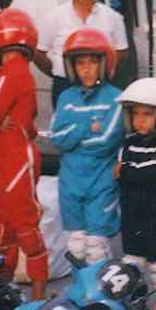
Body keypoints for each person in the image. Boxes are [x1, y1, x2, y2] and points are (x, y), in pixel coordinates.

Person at [0, 9, 47, 300]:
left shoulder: (11, 72)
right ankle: (8, 292)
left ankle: (37, 297)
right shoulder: (18, 71)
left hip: (13, 160)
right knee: (5, 228)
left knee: (22, 226)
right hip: (6, 158)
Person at [49, 28, 124, 264]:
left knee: (96, 246)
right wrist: (86, 126)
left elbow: (105, 141)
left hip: (101, 179)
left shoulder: (115, 97)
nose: (86, 69)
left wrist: (73, 135)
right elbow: (56, 138)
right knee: (76, 245)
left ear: (104, 64)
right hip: (70, 180)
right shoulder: (66, 97)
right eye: (80, 63)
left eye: (93, 62)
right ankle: (81, 287)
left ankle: (99, 286)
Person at [115, 77, 156, 295]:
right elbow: (124, 172)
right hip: (133, 219)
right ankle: (136, 303)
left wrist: (127, 171)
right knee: (131, 268)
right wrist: (129, 172)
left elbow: (153, 169)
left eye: (147, 114)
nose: (140, 120)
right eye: (135, 114)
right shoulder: (128, 143)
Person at [36, 0, 129, 107]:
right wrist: (59, 70)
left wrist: (105, 71)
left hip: (100, 86)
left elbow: (121, 51)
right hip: (64, 84)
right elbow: (39, 52)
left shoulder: (113, 18)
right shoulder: (54, 17)